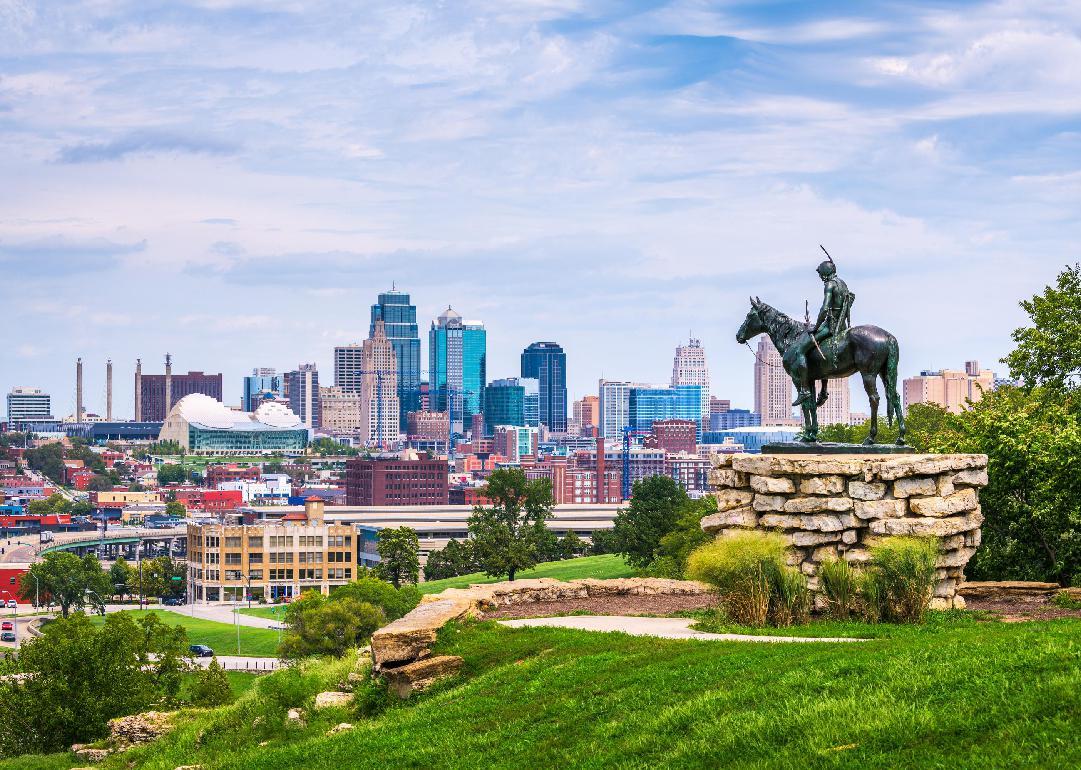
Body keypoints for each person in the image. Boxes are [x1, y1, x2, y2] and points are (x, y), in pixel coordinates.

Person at [791, 255, 855, 406]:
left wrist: (817, 327)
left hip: (831, 326)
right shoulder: (843, 284)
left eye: (821, 274)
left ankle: (805, 390)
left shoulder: (830, 285)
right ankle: (824, 390)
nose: (820, 277)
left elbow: (825, 308)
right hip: (842, 326)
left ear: (825, 272)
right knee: (821, 352)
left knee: (800, 350)